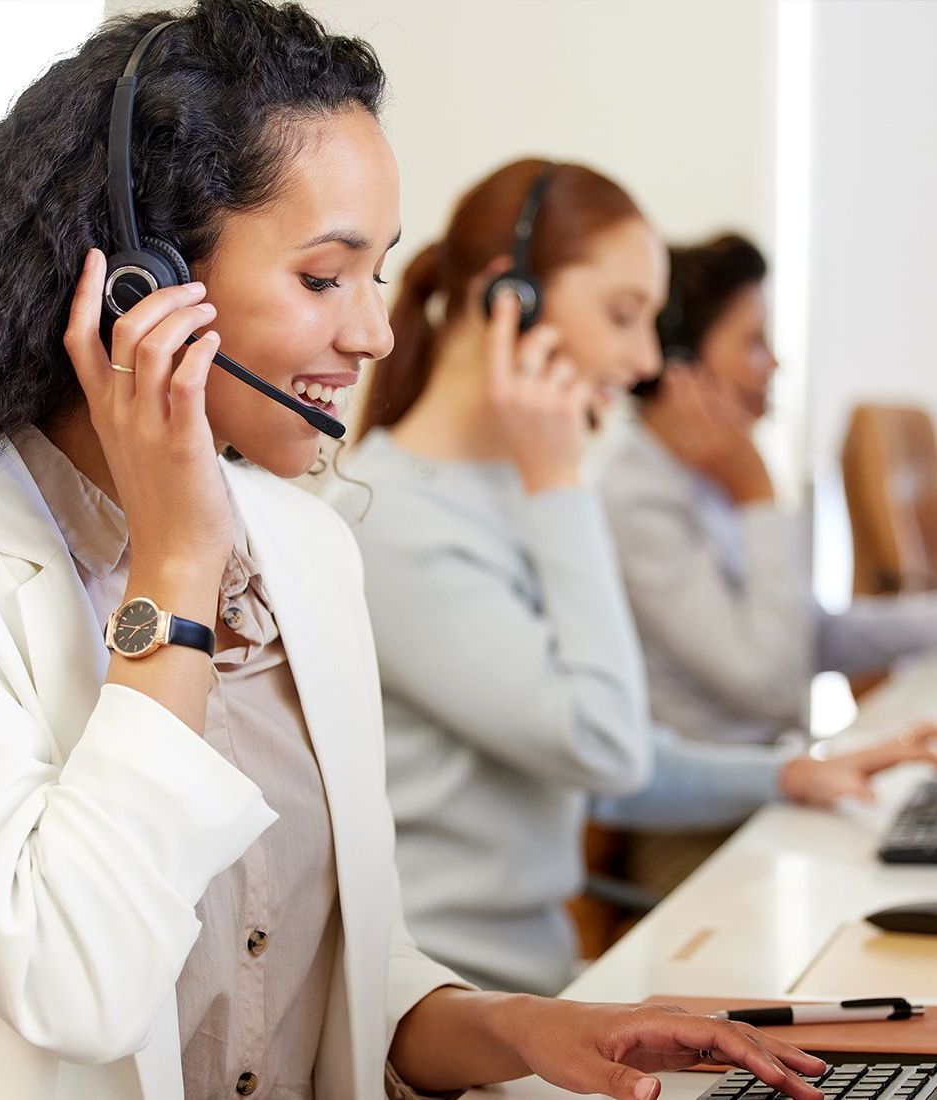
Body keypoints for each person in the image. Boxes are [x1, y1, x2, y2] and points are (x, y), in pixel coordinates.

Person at [0, 7, 835, 1100]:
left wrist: (515, 1027)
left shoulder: (304, 545)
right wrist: (176, 569)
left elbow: (312, 962)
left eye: (379, 275)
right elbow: (78, 980)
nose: (375, 334)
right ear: (140, 281)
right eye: (323, 279)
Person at [333, 160, 937, 997]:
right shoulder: (392, 522)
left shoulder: (513, 495)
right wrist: (560, 483)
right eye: (623, 315)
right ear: (512, 301)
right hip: (451, 1011)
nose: (646, 357)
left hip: (539, 986)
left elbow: (598, 758)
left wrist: (786, 775)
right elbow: (603, 746)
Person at [602, 233, 937, 747]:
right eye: (754, 342)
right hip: (710, 818)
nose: (774, 365)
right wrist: (759, 497)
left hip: (774, 779)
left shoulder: (706, 478)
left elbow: (806, 634)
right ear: (681, 364)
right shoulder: (636, 502)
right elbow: (772, 686)